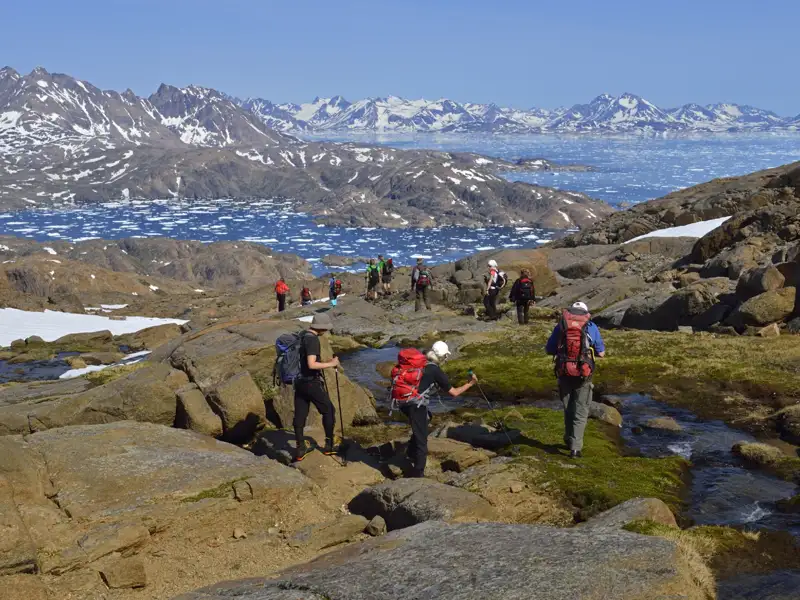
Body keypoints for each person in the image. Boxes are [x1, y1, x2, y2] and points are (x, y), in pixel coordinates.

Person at [393, 341, 477, 477]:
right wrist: (470, 383)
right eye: (445, 357)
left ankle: (410, 452)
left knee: (427, 418)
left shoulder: (420, 361)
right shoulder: (434, 369)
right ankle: (418, 474)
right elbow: (454, 393)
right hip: (415, 405)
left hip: (401, 400)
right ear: (443, 356)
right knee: (422, 442)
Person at [545, 301, 606, 459]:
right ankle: (575, 448)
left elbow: (549, 349)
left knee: (568, 407)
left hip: (564, 370)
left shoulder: (561, 325)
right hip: (583, 373)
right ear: (585, 313)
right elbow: (601, 353)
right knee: (581, 409)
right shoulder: (591, 326)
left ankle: (568, 438)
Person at [294, 313, 341, 462]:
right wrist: (331, 364)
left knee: (300, 414)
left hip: (299, 382)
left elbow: (305, 360)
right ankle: (329, 445)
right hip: (311, 383)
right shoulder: (313, 339)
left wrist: (325, 361)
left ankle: (300, 448)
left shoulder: (302, 335)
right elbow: (312, 364)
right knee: (329, 410)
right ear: (321, 328)